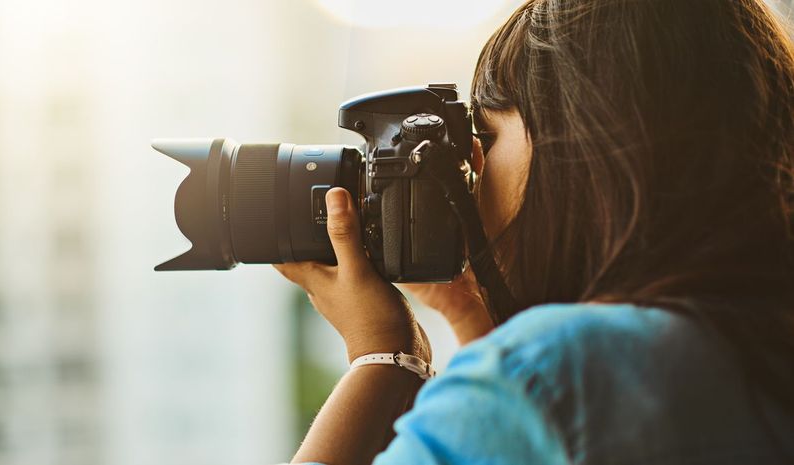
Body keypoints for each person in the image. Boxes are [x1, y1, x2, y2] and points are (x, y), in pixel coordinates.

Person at [273, 0, 794, 463]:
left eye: (489, 137)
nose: (472, 168)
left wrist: (383, 358)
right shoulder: (750, 351)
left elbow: (543, 409)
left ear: (581, 152)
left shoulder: (553, 377)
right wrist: (472, 315)